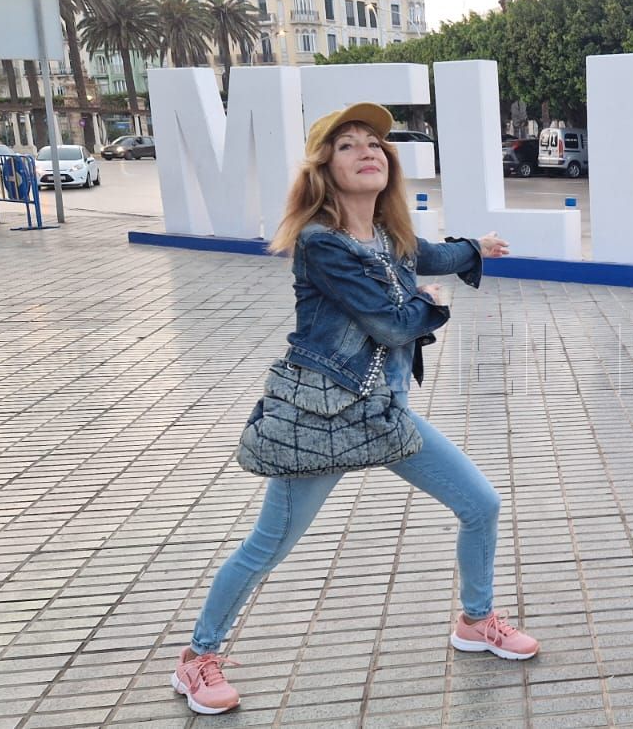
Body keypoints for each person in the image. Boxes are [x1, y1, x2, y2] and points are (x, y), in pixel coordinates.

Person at [170, 103, 530, 716]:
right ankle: (198, 659)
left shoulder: (387, 237)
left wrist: (474, 248)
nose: (367, 151)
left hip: (382, 412)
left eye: (374, 144)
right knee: (268, 546)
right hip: (322, 417)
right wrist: (431, 304)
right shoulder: (322, 244)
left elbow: (423, 254)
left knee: (481, 504)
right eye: (347, 146)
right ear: (324, 169)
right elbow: (390, 323)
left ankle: (476, 621)